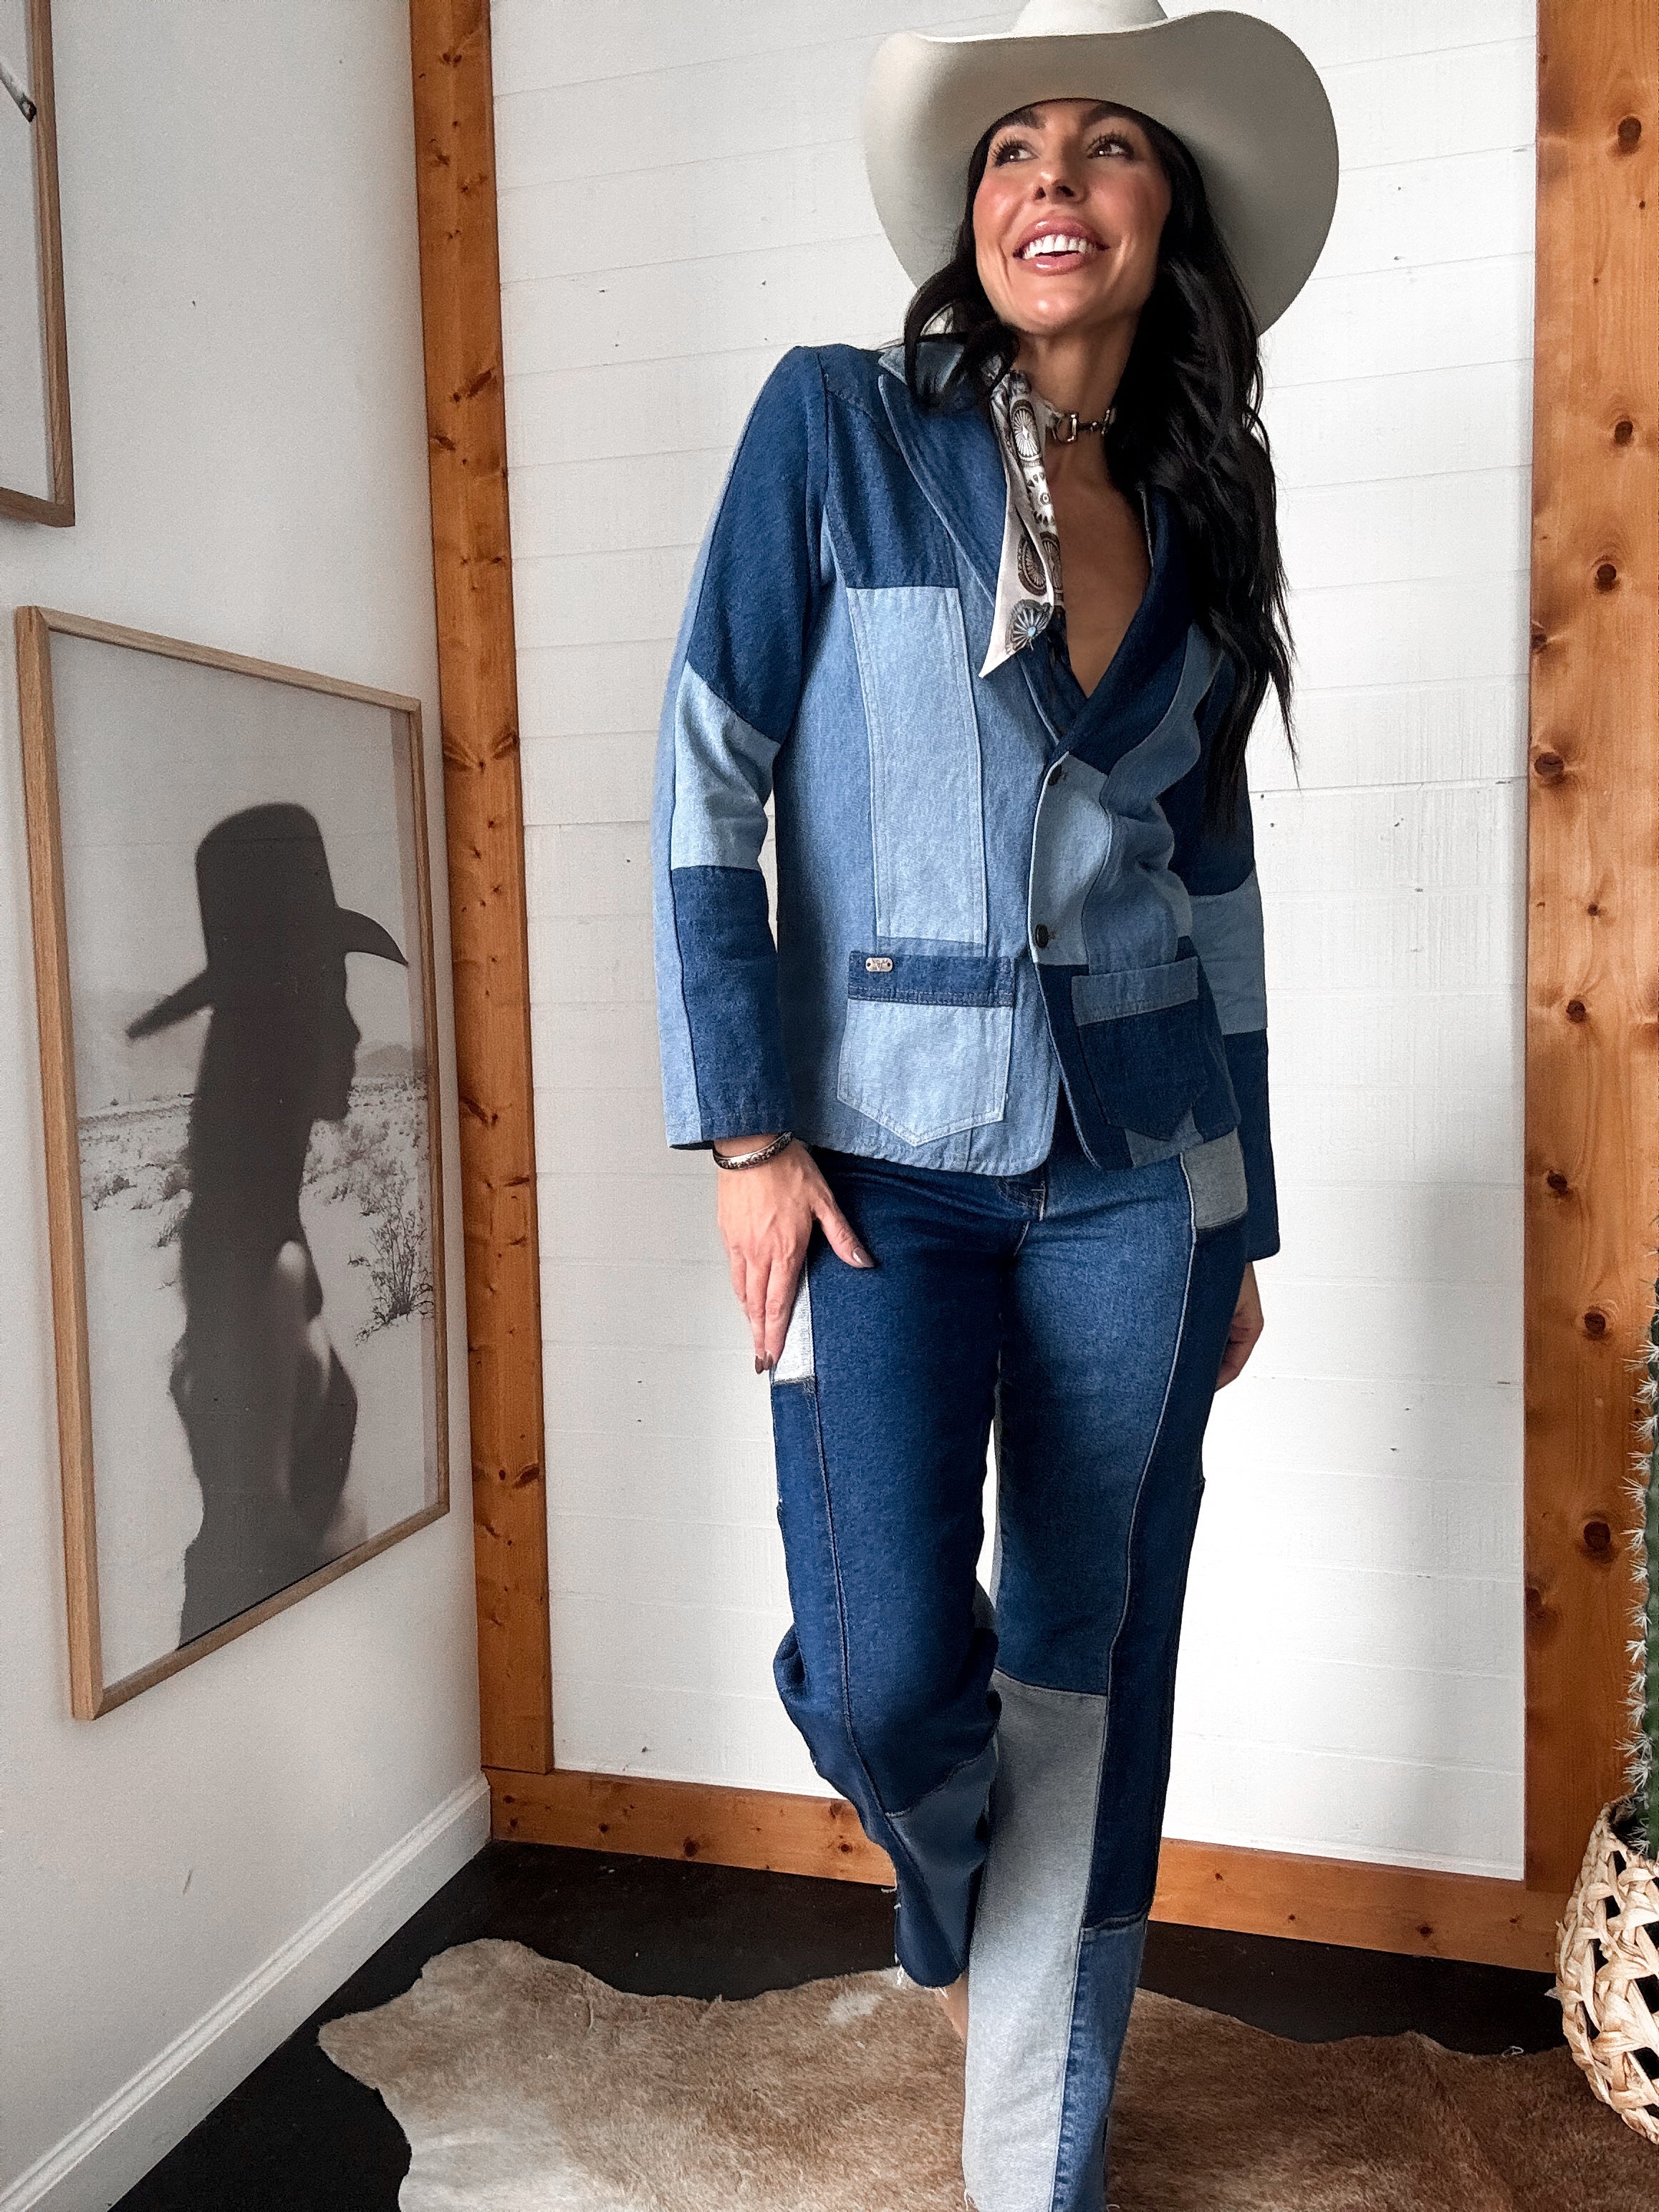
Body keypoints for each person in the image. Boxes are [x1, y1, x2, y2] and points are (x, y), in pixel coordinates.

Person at [650, 1, 1338, 2203]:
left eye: (1109, 146)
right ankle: (949, 1893)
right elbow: (704, 775)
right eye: (1015, 147)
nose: (1053, 180)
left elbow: (1212, 908)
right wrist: (749, 1133)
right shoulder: (833, 434)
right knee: (879, 1676)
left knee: (1087, 1670)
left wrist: (1234, 1224)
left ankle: (1030, 2166)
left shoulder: (1199, 528)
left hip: (1135, 1187)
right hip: (875, 1174)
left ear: (1167, 219)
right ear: (973, 214)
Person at [128, 803, 408, 1648]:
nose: (358, 1030)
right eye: (333, 995)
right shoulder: (268, 1264)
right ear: (279, 1026)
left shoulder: (252, 1230)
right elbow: (252, 1559)